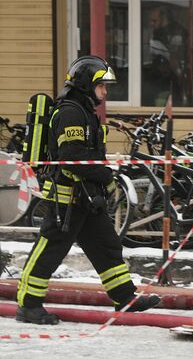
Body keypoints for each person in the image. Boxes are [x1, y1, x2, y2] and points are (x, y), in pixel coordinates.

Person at [15, 56, 161, 325]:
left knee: (107, 246)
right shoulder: (70, 112)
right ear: (85, 84)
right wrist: (106, 176)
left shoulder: (84, 111)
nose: (105, 92)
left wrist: (102, 180)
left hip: (86, 197)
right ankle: (28, 305)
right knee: (50, 250)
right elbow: (72, 157)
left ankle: (125, 299)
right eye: (102, 86)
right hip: (67, 199)